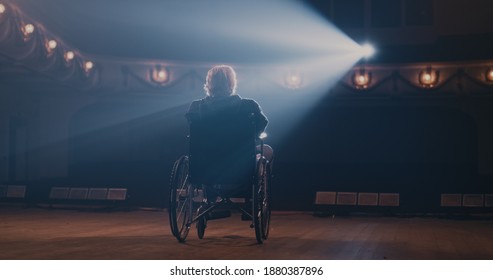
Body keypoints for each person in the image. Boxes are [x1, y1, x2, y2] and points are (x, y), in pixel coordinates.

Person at [186, 65, 273, 162]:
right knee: (267, 150)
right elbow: (260, 129)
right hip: (240, 160)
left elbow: (193, 135)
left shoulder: (195, 107)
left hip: (206, 160)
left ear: (209, 83)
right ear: (232, 83)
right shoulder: (250, 106)